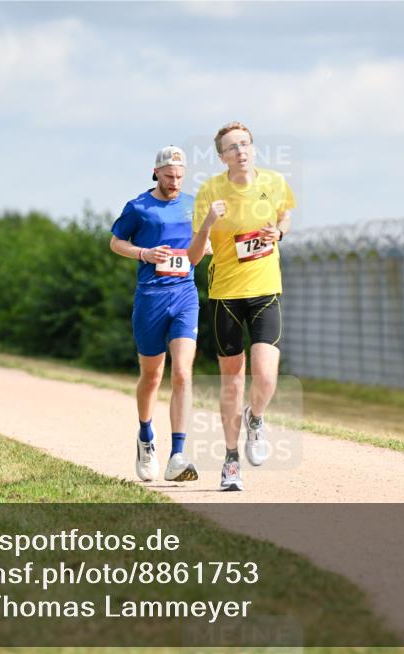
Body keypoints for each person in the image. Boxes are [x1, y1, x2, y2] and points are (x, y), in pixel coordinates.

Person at [188, 121, 296, 491]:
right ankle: (231, 460)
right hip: (226, 296)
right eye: (232, 147)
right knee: (232, 381)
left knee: (266, 376)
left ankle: (256, 417)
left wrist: (279, 232)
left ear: (253, 148)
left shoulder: (274, 183)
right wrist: (207, 223)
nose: (241, 151)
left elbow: (286, 215)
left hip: (266, 290)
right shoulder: (209, 192)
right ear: (222, 156)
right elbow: (193, 252)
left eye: (245, 144)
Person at [110, 145, 200, 483]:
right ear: (156, 172)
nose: (175, 181)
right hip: (150, 297)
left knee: (182, 374)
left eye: (180, 176)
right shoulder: (138, 207)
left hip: (185, 295)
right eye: (169, 175)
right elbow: (116, 242)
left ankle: (178, 454)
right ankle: (145, 436)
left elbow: (203, 244)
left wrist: (203, 246)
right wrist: (144, 253)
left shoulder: (193, 205)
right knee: (152, 376)